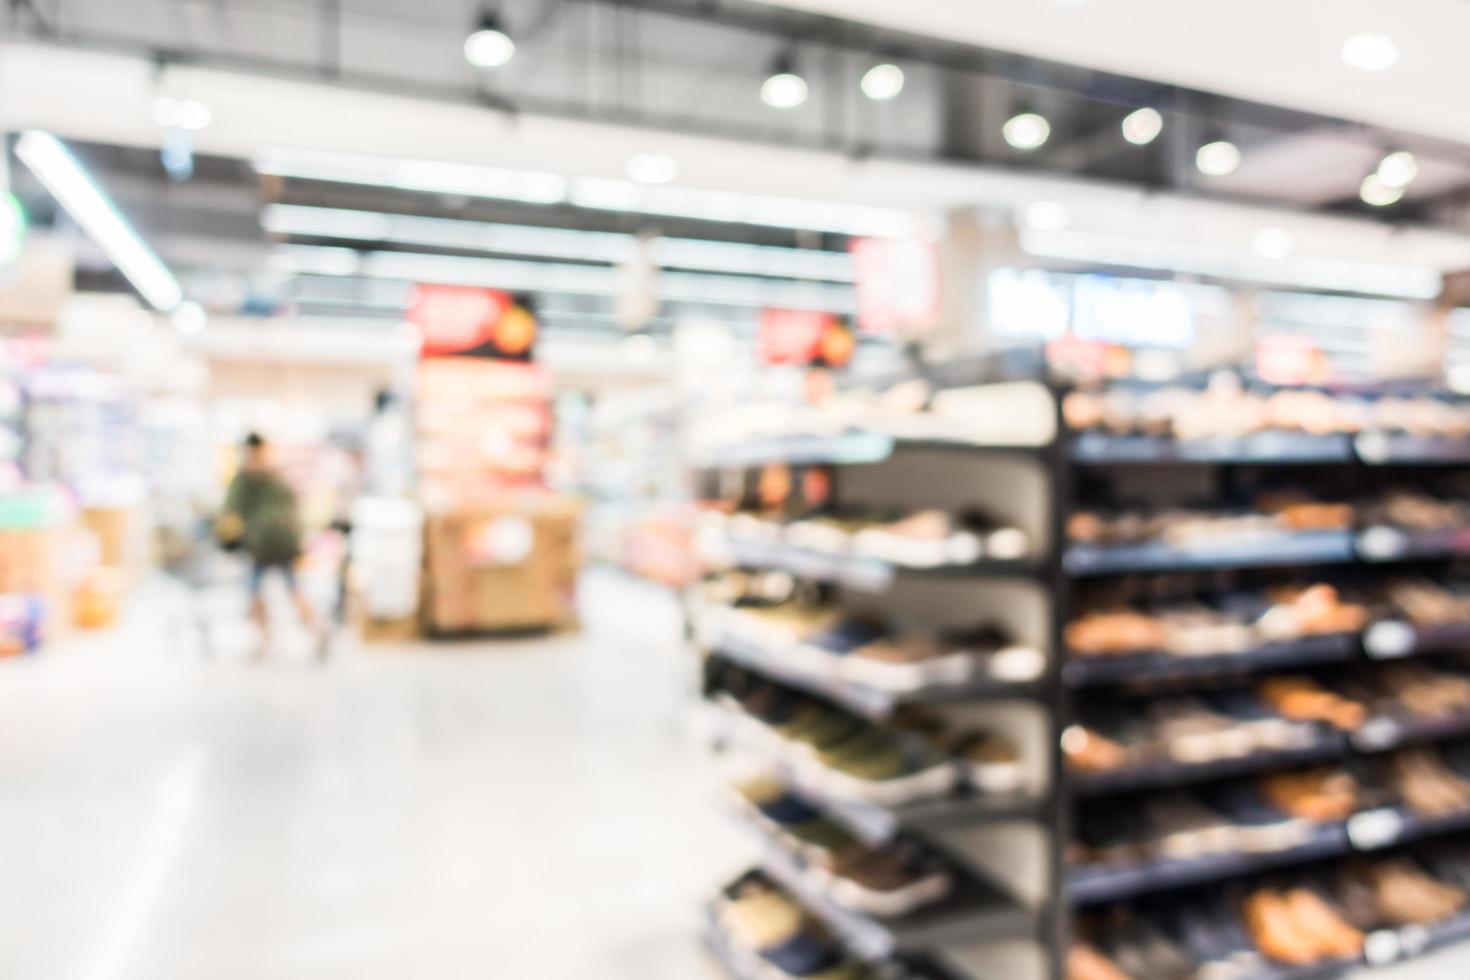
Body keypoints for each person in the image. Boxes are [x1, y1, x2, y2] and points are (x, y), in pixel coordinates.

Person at [219, 433, 323, 658]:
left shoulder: (255, 478)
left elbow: (230, 511)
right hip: (272, 543)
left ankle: (296, 636)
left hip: (270, 542)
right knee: (273, 591)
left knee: (270, 591)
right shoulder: (266, 476)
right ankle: (276, 638)